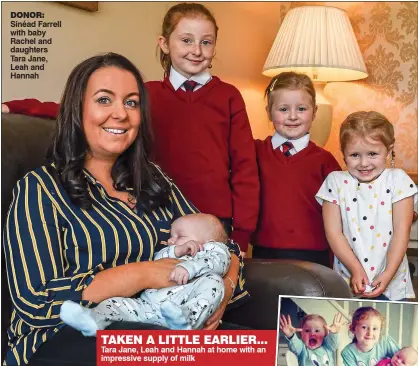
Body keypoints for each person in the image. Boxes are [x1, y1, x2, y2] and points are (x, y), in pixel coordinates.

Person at [2, 53, 247, 366]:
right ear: (77, 109)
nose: (121, 114)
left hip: (159, 324)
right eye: (104, 100)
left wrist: (223, 292)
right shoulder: (41, 188)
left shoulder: (156, 181)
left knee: (268, 353)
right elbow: (35, 300)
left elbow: (221, 245)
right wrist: (142, 274)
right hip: (65, 337)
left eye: (131, 103)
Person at [2, 3, 260, 258]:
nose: (196, 50)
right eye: (186, 40)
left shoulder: (229, 97)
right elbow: (75, 109)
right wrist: (15, 106)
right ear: (165, 44)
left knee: (215, 284)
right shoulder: (143, 95)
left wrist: (242, 234)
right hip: (161, 214)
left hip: (214, 221)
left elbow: (245, 167)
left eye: (206, 42)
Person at [60, 213, 232, 333]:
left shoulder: (213, 251)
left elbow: (219, 262)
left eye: (179, 236)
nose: (171, 240)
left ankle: (186, 320)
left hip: (182, 307)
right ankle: (93, 318)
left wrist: (190, 267)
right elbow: (158, 261)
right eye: (171, 236)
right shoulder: (174, 250)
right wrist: (176, 251)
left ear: (208, 241)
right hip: (149, 307)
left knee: (214, 281)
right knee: (117, 303)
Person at [316, 111, 417, 300]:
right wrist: (355, 268)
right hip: (348, 277)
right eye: (354, 155)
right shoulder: (335, 182)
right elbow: (334, 233)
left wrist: (388, 274)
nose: (364, 163)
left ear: (389, 149)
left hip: (392, 280)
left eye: (372, 154)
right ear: (343, 153)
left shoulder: (399, 181)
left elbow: (401, 233)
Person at [252, 72, 341, 266]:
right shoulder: (253, 152)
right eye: (283, 109)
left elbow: (346, 207)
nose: (293, 116)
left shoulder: (325, 161)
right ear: (269, 111)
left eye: (301, 109)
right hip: (264, 253)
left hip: (315, 255)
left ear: (314, 111)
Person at [279, 312, 345, 366]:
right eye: (307, 331)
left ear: (325, 334)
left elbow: (334, 343)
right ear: (301, 335)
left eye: (317, 331)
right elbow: (295, 346)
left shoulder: (327, 346)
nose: (312, 334)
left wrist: (334, 333)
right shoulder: (302, 349)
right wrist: (291, 336)